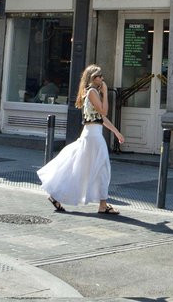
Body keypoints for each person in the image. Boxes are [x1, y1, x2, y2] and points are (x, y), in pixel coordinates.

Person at [37, 65, 124, 214]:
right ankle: (102, 205)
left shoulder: (92, 92)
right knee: (101, 167)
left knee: (82, 169)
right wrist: (105, 93)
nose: (102, 79)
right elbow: (104, 112)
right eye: (100, 76)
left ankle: (57, 195)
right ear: (93, 78)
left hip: (92, 134)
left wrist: (116, 132)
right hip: (93, 136)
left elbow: (100, 118)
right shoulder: (92, 92)